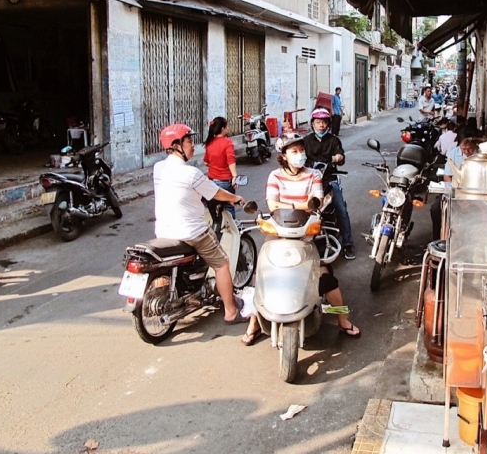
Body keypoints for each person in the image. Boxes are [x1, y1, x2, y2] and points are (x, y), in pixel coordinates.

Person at [240, 133, 361, 345]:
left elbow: (316, 200)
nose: (300, 155)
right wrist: (301, 206)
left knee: (327, 279)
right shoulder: (275, 177)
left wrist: (293, 205)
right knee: (262, 276)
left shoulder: (313, 174)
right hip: (279, 236)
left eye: (302, 150)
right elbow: (272, 205)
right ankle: (255, 322)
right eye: (294, 151)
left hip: (307, 237)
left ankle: (342, 318)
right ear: (284, 156)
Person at [154, 123, 247, 324]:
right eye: (188, 141)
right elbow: (216, 193)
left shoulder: (158, 168)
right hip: (191, 232)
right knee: (222, 264)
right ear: (176, 145)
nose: (193, 145)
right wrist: (235, 198)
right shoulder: (191, 173)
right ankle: (231, 311)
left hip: (163, 230)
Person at [302, 108, 355, 260]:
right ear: (312, 124)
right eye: (318, 122)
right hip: (309, 182)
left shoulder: (333, 140)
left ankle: (348, 244)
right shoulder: (305, 141)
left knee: (341, 209)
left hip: (329, 180)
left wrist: (339, 157)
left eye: (324, 122)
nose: (321, 125)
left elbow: (341, 155)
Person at [430, 136, 479, 240]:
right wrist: (456, 190)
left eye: (470, 148)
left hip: (475, 192)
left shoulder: (481, 154)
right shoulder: (453, 153)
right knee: (435, 209)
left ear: (474, 145)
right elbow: (447, 176)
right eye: (463, 149)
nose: (467, 152)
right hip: (456, 189)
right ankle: (438, 241)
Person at [203, 116, 238, 219]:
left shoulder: (209, 143)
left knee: (212, 208)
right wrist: (234, 176)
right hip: (225, 182)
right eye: (227, 126)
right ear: (222, 128)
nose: (228, 128)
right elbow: (231, 161)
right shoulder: (227, 142)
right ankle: (233, 231)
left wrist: (215, 165)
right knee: (229, 206)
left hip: (211, 182)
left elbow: (206, 162)